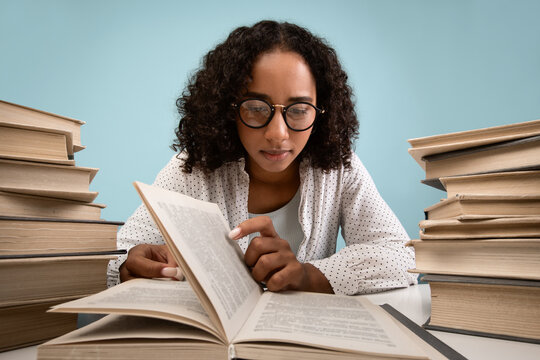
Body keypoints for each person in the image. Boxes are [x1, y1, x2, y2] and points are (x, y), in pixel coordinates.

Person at [108, 20, 416, 295]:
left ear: (322, 112)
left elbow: (401, 256)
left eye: (298, 110)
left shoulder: (338, 167)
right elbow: (116, 257)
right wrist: (127, 267)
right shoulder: (193, 169)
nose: (278, 134)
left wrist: (309, 276)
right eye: (256, 108)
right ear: (227, 109)